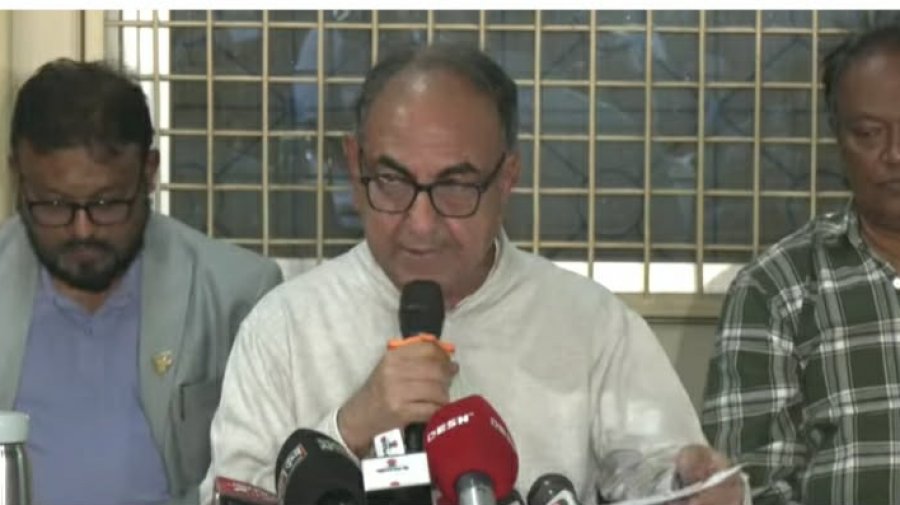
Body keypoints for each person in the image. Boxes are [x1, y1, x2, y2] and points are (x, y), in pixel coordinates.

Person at [204, 44, 744, 505]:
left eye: (455, 187)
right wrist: (347, 430)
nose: (420, 223)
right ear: (354, 164)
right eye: (392, 182)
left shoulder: (591, 324)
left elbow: (656, 470)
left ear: (507, 178)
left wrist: (688, 483)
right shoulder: (284, 328)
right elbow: (231, 494)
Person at [0, 59, 283, 505]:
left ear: (149, 172)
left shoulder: (236, 294)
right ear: (18, 176)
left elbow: (264, 476)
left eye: (106, 204)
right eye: (53, 205)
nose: (82, 230)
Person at [702, 23, 900, 505]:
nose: (895, 154)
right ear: (839, 139)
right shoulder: (777, 287)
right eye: (869, 133)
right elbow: (749, 487)